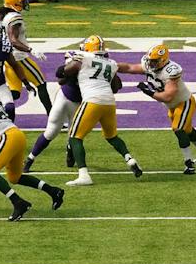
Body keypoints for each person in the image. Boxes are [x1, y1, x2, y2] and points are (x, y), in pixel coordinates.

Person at [0, 76, 65, 220]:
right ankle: (54, 191)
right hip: (17, 135)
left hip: (6, 137)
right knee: (15, 177)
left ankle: (18, 203)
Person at [60, 35, 144, 187]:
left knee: (74, 137)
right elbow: (116, 86)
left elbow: (68, 70)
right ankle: (129, 159)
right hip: (109, 102)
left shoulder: (84, 56)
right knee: (112, 136)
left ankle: (83, 175)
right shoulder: (111, 63)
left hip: (92, 100)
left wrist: (62, 70)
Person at [137, 44, 196, 172]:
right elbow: (131, 67)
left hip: (184, 103)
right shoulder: (149, 65)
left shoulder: (171, 70)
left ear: (163, 60)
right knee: (187, 129)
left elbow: (167, 96)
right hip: (173, 106)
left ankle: (188, 164)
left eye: (155, 61)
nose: (152, 64)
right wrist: (115, 68)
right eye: (151, 61)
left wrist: (149, 92)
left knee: (178, 129)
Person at [0, 0, 52, 113]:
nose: (24, 3)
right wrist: (31, 50)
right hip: (19, 58)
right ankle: (53, 117)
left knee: (14, 94)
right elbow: (13, 41)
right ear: (15, 3)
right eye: (22, 1)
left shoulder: (4, 16)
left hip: (8, 58)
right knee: (41, 84)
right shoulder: (15, 17)